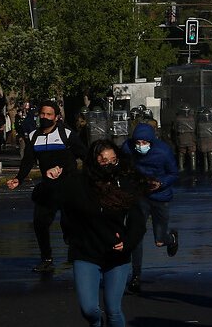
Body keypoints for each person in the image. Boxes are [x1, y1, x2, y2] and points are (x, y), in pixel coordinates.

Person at [56, 139, 148, 327]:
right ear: (93, 161)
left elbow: (137, 220)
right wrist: (70, 236)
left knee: (113, 310)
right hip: (86, 252)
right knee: (89, 309)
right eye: (103, 161)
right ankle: (96, 323)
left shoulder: (123, 183)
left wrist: (128, 242)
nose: (109, 165)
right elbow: (65, 210)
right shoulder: (79, 184)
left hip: (116, 254)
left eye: (113, 160)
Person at [7, 100, 86, 272]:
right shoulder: (34, 136)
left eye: (49, 115)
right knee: (40, 222)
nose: (45, 117)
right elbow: (28, 160)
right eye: (42, 114)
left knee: (70, 223)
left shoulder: (66, 134)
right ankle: (46, 258)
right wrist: (18, 179)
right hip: (48, 187)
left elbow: (84, 155)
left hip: (69, 186)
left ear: (56, 117)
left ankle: (74, 249)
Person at [121, 122, 179, 294]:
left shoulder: (164, 151)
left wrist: (160, 183)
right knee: (135, 237)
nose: (140, 146)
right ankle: (136, 275)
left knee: (159, 240)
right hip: (139, 197)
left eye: (144, 143)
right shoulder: (127, 148)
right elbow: (124, 168)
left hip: (160, 197)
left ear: (151, 141)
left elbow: (174, 173)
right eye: (137, 142)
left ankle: (171, 238)